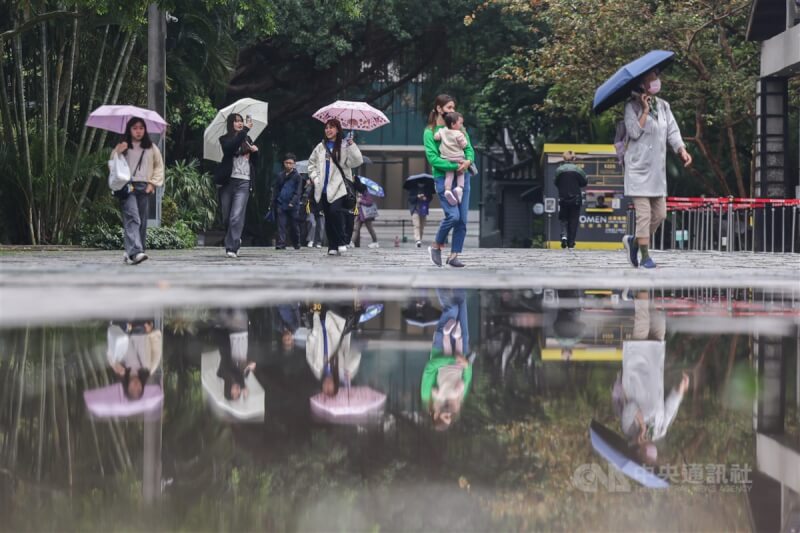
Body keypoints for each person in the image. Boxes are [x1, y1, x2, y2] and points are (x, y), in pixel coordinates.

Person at [621, 69, 692, 269]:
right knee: (643, 215)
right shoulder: (631, 106)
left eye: (656, 77)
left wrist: (682, 150)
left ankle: (634, 241)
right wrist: (644, 110)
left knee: (660, 214)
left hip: (656, 171)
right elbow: (634, 132)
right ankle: (645, 257)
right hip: (638, 169)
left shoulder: (663, 106)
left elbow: (672, 130)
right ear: (642, 84)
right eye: (651, 79)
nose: (655, 81)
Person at [613, 290, 689, 464]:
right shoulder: (660, 431)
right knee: (658, 318)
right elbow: (669, 409)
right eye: (653, 457)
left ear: (639, 453)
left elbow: (631, 406)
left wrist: (641, 425)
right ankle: (654, 284)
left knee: (642, 317)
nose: (651, 454)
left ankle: (642, 282)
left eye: (647, 456)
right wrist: (680, 390)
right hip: (654, 362)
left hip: (637, 365)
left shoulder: (628, 428)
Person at [424, 95, 475, 268]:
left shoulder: (460, 128)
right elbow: (433, 159)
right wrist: (454, 166)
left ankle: (454, 255)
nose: (452, 111)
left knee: (462, 220)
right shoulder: (430, 132)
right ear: (439, 109)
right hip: (443, 178)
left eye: (454, 108)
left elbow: (469, 149)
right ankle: (435, 245)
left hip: (463, 176)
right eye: (449, 108)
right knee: (453, 216)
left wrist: (468, 161)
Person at [110, 117, 165, 265]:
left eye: (141, 128)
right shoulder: (123, 146)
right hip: (127, 186)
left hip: (144, 186)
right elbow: (112, 167)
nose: (138, 131)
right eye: (135, 128)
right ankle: (136, 252)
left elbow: (159, 167)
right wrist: (118, 153)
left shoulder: (151, 147)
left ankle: (132, 252)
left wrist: (153, 184)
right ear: (129, 129)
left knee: (141, 222)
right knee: (133, 218)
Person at [307, 119, 363, 256]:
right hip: (323, 187)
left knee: (334, 211)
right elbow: (311, 164)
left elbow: (356, 162)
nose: (328, 130)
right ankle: (332, 245)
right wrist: (315, 178)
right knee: (328, 217)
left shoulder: (344, 146)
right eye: (326, 128)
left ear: (338, 129)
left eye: (331, 127)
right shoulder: (320, 146)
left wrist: (351, 145)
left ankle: (341, 241)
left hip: (338, 186)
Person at [421, 289, 472, 430]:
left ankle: (440, 279)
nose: (449, 414)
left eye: (446, 417)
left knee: (452, 308)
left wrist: (451, 360)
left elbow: (430, 367)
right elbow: (466, 380)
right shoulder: (456, 402)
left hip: (440, 348)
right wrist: (466, 365)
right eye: (450, 417)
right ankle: (459, 277)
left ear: (436, 416)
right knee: (461, 303)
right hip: (462, 352)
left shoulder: (428, 397)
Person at [213, 113, 259, 258]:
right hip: (228, 182)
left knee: (236, 216)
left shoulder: (248, 139)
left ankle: (231, 247)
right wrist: (245, 130)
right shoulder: (225, 139)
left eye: (241, 121)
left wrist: (256, 152)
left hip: (244, 181)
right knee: (227, 217)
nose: (239, 123)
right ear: (231, 124)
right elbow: (229, 149)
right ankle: (234, 239)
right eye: (236, 121)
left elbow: (255, 163)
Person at [305, 304, 362, 396]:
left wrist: (314, 334)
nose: (327, 385)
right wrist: (349, 370)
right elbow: (357, 355)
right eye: (330, 388)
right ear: (335, 384)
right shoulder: (342, 369)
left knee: (318, 294)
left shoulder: (317, 369)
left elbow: (309, 350)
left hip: (318, 320)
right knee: (333, 296)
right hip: (336, 320)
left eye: (325, 388)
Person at [107, 320, 163, 400]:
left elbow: (110, 351)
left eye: (132, 389)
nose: (136, 386)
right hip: (141, 327)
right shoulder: (149, 370)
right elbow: (156, 349)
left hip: (121, 326)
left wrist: (115, 364)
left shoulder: (120, 371)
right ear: (142, 387)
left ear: (127, 387)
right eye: (139, 389)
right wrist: (151, 332)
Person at [433, 112, 468, 206]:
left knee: (449, 175)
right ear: (453, 124)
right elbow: (464, 145)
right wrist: (463, 138)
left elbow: (436, 137)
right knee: (461, 173)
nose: (461, 125)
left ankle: (447, 190)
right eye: (460, 123)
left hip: (446, 158)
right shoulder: (458, 134)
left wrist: (439, 136)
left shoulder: (442, 130)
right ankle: (459, 188)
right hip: (458, 158)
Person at [554, 151, 588, 249]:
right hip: (576, 199)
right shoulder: (578, 170)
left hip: (563, 198)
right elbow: (584, 182)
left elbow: (556, 182)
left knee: (563, 218)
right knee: (573, 221)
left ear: (564, 159)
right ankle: (571, 243)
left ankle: (564, 236)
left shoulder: (559, 170)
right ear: (573, 159)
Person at [272, 153, 303, 250]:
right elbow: (276, 189)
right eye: (287, 163)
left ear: (294, 164)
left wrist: (292, 202)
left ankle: (296, 242)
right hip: (281, 203)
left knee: (294, 226)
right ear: (283, 163)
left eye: (291, 163)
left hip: (293, 205)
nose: (288, 165)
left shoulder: (297, 176)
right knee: (281, 225)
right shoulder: (280, 175)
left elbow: (298, 192)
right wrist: (274, 201)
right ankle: (281, 243)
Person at [407, 180, 432, 248]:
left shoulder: (427, 189)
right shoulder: (413, 189)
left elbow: (430, 198)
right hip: (415, 209)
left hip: (423, 209)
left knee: (422, 226)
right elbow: (410, 199)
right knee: (416, 225)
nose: (421, 184)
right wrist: (417, 197)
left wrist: (425, 198)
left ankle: (419, 239)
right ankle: (417, 240)